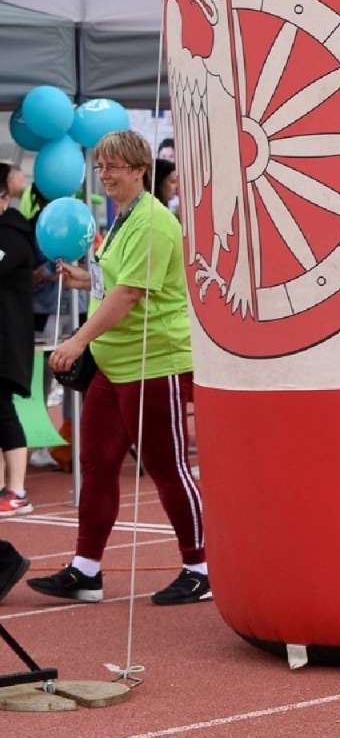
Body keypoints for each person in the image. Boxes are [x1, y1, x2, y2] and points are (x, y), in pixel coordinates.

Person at [29, 130, 208, 606]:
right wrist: (87, 277)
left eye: (114, 167)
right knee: (97, 463)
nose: (104, 174)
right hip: (115, 363)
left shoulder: (150, 222)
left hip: (154, 362)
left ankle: (201, 566)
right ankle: (86, 570)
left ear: (138, 169)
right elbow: (118, 282)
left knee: (168, 468)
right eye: (101, 166)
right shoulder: (124, 219)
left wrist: (75, 340)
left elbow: (130, 296)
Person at [0, 176, 39, 515]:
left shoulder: (12, 236)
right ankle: (4, 489)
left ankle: (17, 490)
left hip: (7, 341)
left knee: (4, 411)